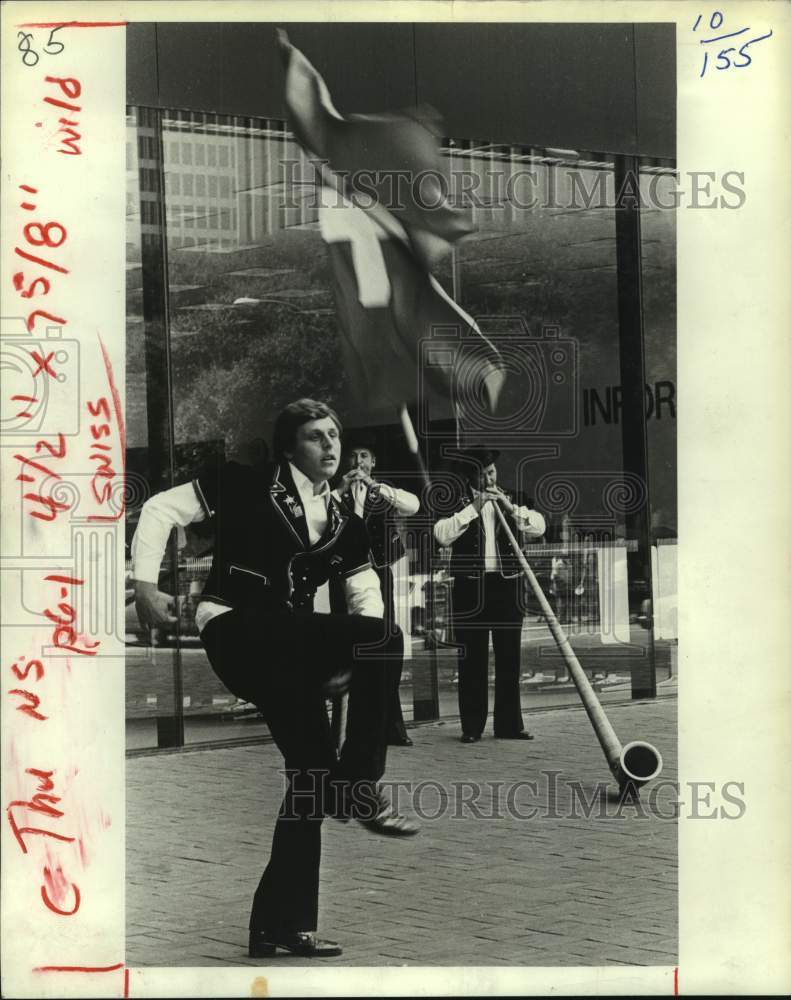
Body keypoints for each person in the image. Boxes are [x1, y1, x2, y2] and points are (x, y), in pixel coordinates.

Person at [131, 399, 418, 961]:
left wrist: (356, 661)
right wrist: (144, 584)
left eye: (335, 435)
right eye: (316, 437)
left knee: (310, 772)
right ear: (289, 448)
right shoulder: (243, 483)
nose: (330, 446)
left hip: (289, 648)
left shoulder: (344, 523)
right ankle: (358, 785)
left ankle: (279, 927)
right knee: (379, 642)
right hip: (237, 626)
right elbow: (161, 509)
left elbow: (366, 597)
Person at [433, 449, 546, 744]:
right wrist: (474, 506)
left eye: (492, 472)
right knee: (472, 658)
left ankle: (509, 725)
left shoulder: (514, 497)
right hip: (470, 588)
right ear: (470, 476)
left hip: (507, 587)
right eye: (482, 474)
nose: (489, 478)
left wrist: (509, 507)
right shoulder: (454, 501)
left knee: (509, 657)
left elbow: (538, 526)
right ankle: (472, 726)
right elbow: (441, 534)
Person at [333, 431, 420, 747]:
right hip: (345, 579)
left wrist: (375, 487)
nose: (359, 462)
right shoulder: (336, 495)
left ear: (374, 462)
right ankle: (351, 730)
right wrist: (342, 489)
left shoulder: (384, 493)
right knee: (351, 649)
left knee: (385, 645)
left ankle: (392, 727)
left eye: (364, 456)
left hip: (380, 575)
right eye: (354, 456)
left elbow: (413, 505)